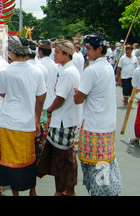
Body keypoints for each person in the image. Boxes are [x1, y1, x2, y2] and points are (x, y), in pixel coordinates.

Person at [0, 35, 46, 196]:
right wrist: (37, 120)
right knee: (29, 158)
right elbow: (41, 98)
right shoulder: (36, 71)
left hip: (8, 120)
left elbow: (2, 93)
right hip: (27, 122)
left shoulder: (6, 72)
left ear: (12, 52)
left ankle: (15, 193)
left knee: (9, 160)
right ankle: (33, 190)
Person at [74, 34, 123, 196]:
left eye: (88, 49)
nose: (86, 53)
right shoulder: (108, 66)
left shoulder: (92, 70)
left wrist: (79, 92)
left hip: (93, 127)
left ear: (99, 49)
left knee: (96, 170)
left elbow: (78, 99)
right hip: (107, 126)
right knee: (107, 166)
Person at [37, 40, 82, 196]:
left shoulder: (68, 72)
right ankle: (68, 191)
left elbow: (60, 98)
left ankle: (61, 191)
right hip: (66, 119)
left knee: (63, 160)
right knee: (64, 158)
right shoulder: (68, 70)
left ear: (66, 54)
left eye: (57, 52)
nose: (54, 55)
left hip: (63, 120)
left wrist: (49, 111)